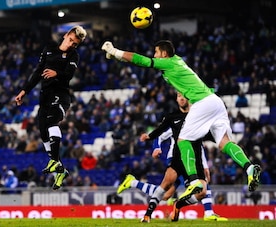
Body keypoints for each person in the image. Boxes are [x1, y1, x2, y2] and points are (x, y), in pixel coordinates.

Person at [101, 39, 261, 201]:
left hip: (201, 102)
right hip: (215, 101)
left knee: (182, 140)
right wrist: (116, 57)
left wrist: (116, 52)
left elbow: (141, 60)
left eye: (156, 52)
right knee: (224, 143)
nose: (154, 56)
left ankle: (193, 181)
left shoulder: (168, 62)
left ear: (164, 54)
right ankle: (249, 168)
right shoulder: (177, 61)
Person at [117, 93, 227, 222]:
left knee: (173, 193)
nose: (181, 98)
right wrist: (156, 147)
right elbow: (159, 134)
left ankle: (133, 183)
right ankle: (207, 213)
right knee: (171, 192)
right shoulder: (175, 120)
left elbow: (199, 144)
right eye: (179, 96)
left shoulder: (197, 119)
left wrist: (205, 164)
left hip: (192, 158)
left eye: (184, 96)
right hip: (176, 158)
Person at [15, 25, 87, 190]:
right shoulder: (49, 49)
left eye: (75, 44)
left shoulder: (73, 55)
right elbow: (38, 72)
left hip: (60, 95)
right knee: (42, 131)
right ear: (66, 35)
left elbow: (69, 75)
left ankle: (54, 162)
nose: (71, 45)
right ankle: (60, 169)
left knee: (51, 122)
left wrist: (57, 74)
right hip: (45, 96)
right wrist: (24, 90)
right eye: (70, 40)